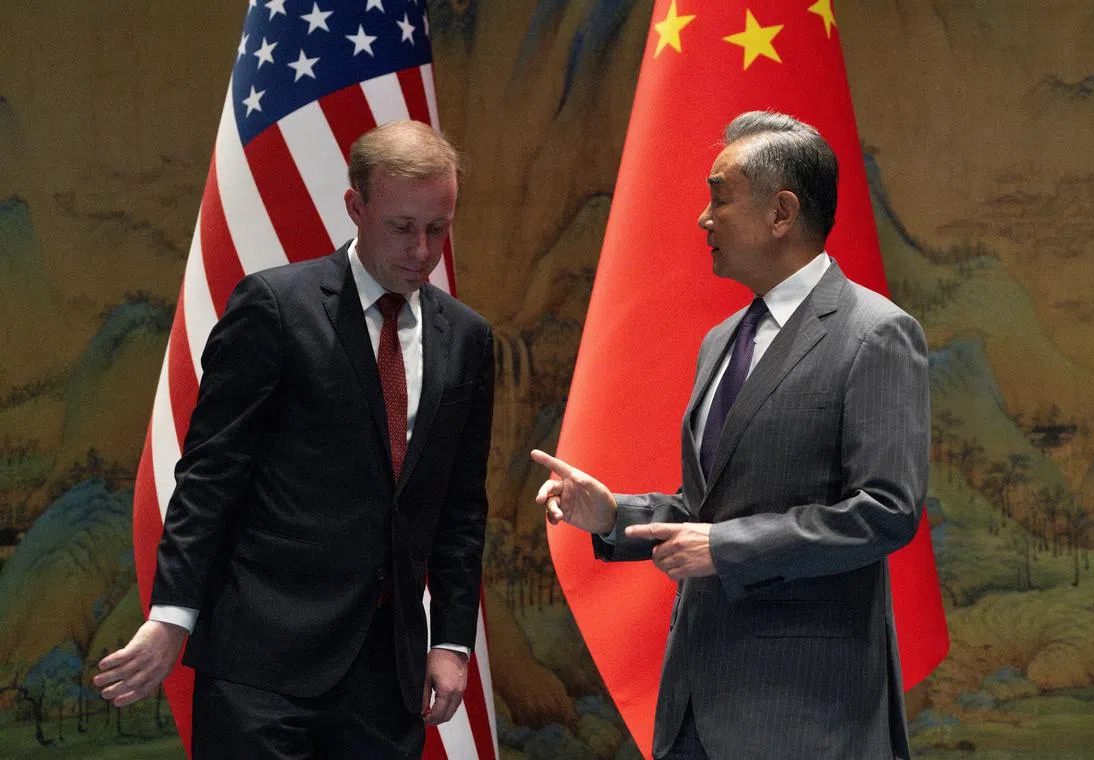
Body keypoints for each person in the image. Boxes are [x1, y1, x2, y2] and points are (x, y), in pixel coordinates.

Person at [532, 111, 929, 760]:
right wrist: (611, 515)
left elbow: (886, 512)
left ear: (782, 212)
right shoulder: (722, 340)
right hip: (693, 703)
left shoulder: (875, 333)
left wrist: (728, 548)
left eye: (720, 195)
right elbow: (709, 513)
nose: (703, 218)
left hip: (804, 714)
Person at [95, 121, 494, 759]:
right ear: (355, 207)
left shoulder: (467, 339)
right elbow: (210, 475)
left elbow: (460, 507)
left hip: (386, 675)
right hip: (262, 665)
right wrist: (172, 616)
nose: (422, 250)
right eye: (401, 227)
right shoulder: (275, 307)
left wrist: (449, 640)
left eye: (438, 228)